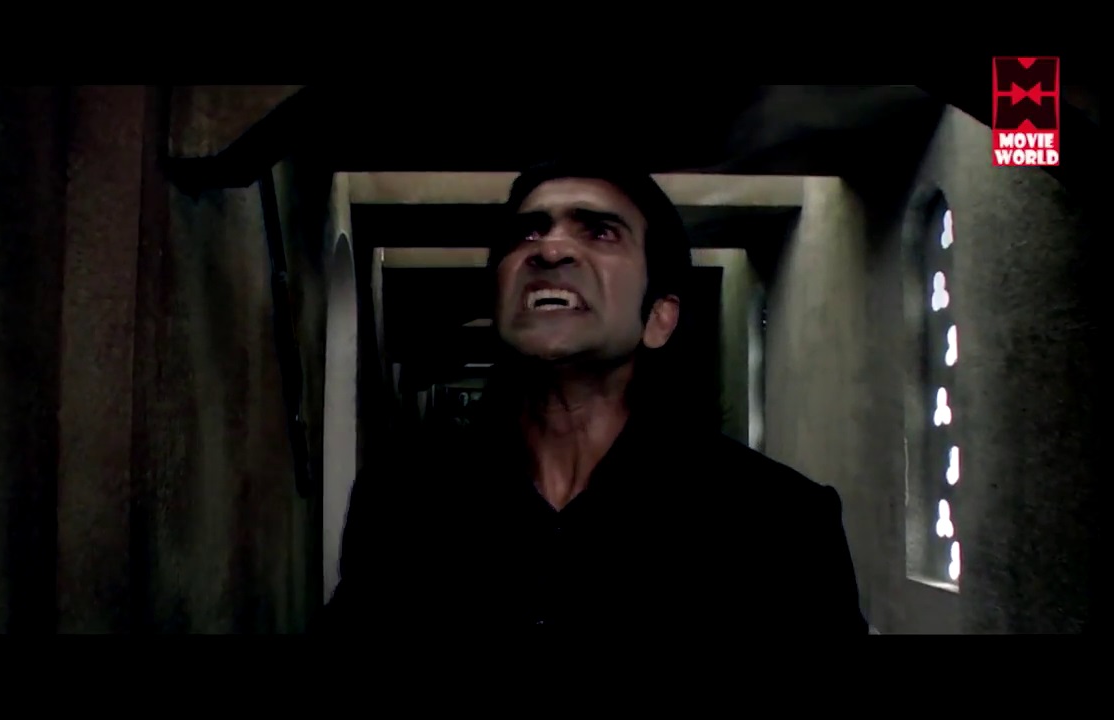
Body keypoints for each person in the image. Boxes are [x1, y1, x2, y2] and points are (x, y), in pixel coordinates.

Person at [322, 159, 868, 633]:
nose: (550, 248)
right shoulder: (399, 500)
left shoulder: (780, 522)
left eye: (601, 233)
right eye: (528, 233)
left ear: (658, 319)